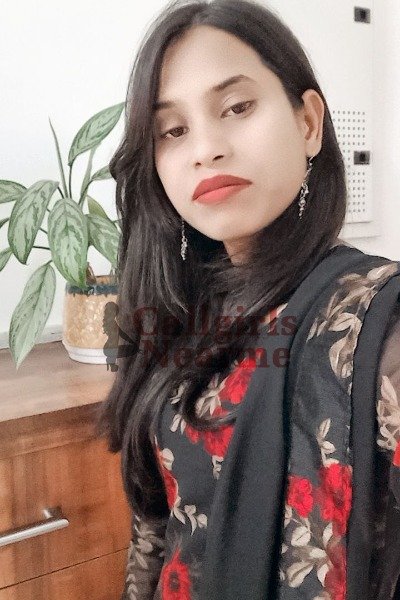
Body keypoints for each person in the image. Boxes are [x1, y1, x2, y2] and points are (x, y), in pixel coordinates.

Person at [96, 1, 400, 598]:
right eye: (173, 131)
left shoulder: (378, 326)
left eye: (236, 107)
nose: (205, 148)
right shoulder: (179, 315)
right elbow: (155, 533)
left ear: (308, 123)